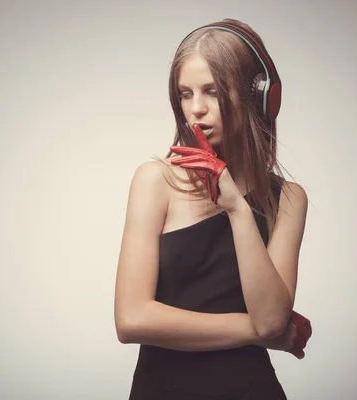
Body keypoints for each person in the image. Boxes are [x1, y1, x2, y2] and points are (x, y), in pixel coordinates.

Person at [114, 18, 310, 399]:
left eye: (213, 91)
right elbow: (131, 319)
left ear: (258, 98)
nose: (196, 110)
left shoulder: (287, 199)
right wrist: (262, 333)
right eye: (185, 94)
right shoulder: (155, 181)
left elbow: (270, 318)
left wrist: (236, 207)